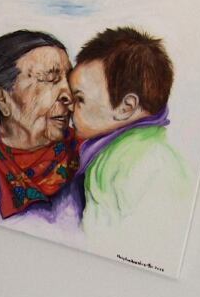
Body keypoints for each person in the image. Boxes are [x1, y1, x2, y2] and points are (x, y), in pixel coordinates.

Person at [69, 27, 191, 255]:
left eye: (79, 99)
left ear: (126, 108)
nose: (70, 109)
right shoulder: (156, 151)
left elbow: (95, 244)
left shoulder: (114, 166)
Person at [0, 30, 78, 224]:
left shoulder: (86, 159)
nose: (68, 96)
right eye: (49, 79)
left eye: (69, 80)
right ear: (4, 100)